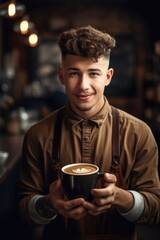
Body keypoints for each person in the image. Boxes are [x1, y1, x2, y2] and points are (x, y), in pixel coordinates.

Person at [17, 25, 160, 240]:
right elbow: (24, 213)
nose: (84, 85)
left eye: (94, 73)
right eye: (74, 73)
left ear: (108, 77)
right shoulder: (37, 135)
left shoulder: (139, 133)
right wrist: (48, 204)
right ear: (61, 75)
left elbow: (155, 211)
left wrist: (120, 198)